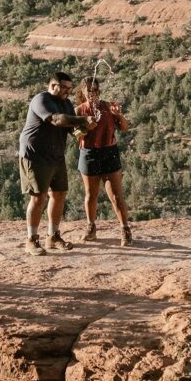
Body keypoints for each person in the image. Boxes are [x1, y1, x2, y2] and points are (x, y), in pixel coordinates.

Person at [18, 71, 96, 256]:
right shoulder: (41, 100)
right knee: (38, 197)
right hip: (35, 156)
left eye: (70, 88)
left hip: (56, 155)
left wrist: (86, 128)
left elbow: (72, 132)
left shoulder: (66, 103)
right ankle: (31, 240)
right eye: (64, 88)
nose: (67, 92)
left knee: (59, 194)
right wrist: (83, 119)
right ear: (53, 85)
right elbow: (57, 120)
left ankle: (53, 236)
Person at [75, 77, 133, 247]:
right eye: (89, 90)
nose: (92, 93)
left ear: (99, 90)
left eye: (95, 89)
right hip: (89, 154)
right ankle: (91, 228)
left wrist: (119, 115)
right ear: (83, 92)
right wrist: (86, 128)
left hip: (109, 152)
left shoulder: (108, 106)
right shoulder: (78, 111)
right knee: (91, 195)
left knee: (116, 195)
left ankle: (125, 229)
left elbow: (124, 128)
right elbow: (75, 135)